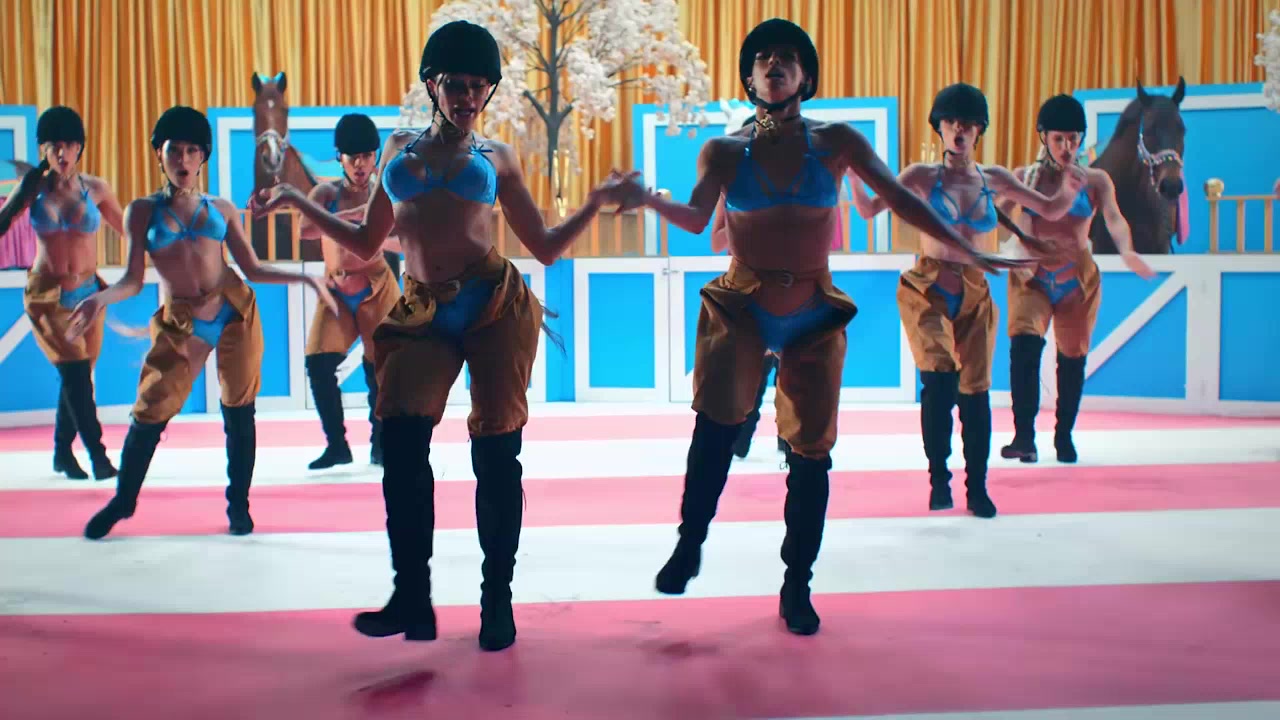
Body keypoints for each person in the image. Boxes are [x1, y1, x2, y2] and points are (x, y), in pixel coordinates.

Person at [614, 19, 1024, 637]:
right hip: (743, 305)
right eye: (763, 58)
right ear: (750, 77)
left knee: (811, 454)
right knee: (714, 430)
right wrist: (647, 198)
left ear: (806, 76)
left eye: (787, 56)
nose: (774, 63)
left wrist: (968, 248)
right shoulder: (724, 150)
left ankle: (796, 585)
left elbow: (901, 199)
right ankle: (689, 541)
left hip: (812, 308)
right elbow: (698, 219)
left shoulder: (837, 142)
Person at [251, 20, 636, 652]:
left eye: (479, 86)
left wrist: (595, 202)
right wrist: (295, 196)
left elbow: (544, 247)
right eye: (456, 84)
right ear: (432, 84)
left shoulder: (496, 157)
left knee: (496, 454)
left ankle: (496, 600)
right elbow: (365, 241)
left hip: (492, 305)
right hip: (424, 308)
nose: (468, 96)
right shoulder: (398, 149)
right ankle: (412, 596)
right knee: (401, 440)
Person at [72, 106, 337, 540]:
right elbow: (133, 279)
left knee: (239, 409)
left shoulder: (222, 209)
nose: (183, 159)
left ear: (203, 157)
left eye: (192, 150)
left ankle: (238, 504)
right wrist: (99, 299)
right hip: (182, 323)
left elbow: (253, 269)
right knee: (150, 409)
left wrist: (307, 279)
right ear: (159, 154)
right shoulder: (142, 211)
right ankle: (123, 501)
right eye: (174, 150)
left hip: (234, 313)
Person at [850, 83, 1084, 520]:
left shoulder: (995, 179)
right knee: (939, 380)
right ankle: (939, 477)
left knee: (976, 392)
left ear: (979, 129)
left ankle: (977, 487)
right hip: (928, 288)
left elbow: (1049, 208)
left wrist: (1071, 189)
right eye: (951, 122)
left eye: (968, 123)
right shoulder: (921, 176)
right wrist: (849, 170)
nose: (959, 129)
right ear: (939, 127)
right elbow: (868, 209)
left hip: (976, 292)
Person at [998, 94, 1156, 464]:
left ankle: (1064, 435)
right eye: (1059, 139)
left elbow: (1114, 218)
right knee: (1024, 349)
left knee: (1072, 359)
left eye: (1074, 138)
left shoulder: (1095, 180)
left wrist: (1127, 251)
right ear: (1044, 137)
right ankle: (1024, 436)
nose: (1067, 147)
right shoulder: (1024, 178)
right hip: (1032, 277)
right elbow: (994, 214)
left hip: (1076, 280)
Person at [0, 106, 122, 481]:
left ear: (80, 148)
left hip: (89, 294)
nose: (62, 153)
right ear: (44, 149)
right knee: (76, 372)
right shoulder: (34, 189)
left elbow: (129, 229)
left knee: (77, 377)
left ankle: (61, 453)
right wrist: (19, 192)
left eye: (69, 145)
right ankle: (99, 456)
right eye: (54, 146)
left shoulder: (97, 188)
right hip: (48, 295)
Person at [298, 113, 402, 469]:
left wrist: (377, 236)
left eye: (367, 156)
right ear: (339, 158)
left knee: (381, 368)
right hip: (337, 289)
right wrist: (353, 217)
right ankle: (336, 445)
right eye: (352, 157)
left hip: (377, 285)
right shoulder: (326, 193)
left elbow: (406, 240)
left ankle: (381, 444)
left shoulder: (384, 194)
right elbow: (305, 230)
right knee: (318, 363)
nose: (360, 165)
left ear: (375, 157)